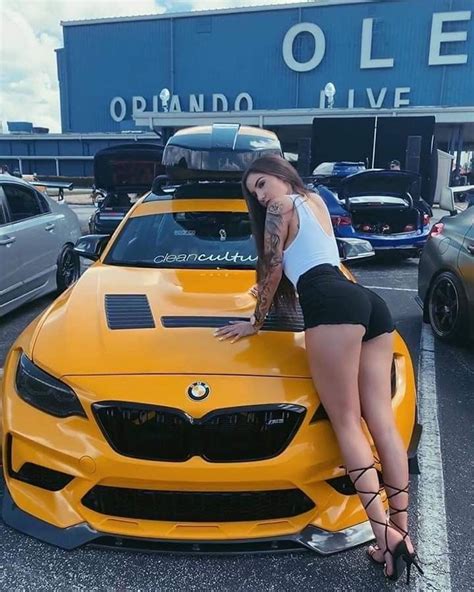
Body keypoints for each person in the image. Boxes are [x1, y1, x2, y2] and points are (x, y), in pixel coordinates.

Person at [214, 155, 423, 583]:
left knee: (347, 424)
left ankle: (384, 537)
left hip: (330, 303)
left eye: (261, 182)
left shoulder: (279, 208)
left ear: (280, 173)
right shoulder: (315, 200)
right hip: (367, 302)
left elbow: (272, 269)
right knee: (380, 421)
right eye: (254, 191)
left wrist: (255, 322)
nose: (260, 194)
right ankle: (401, 534)